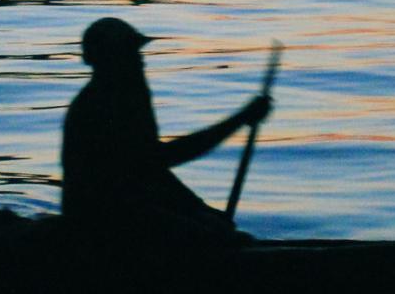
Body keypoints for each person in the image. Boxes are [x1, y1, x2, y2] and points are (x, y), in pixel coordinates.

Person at [61, 17, 271, 251]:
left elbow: (153, 171)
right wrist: (240, 119)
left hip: (132, 202)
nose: (140, 60)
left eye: (137, 52)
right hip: (100, 216)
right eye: (129, 53)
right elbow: (156, 160)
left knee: (217, 228)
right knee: (214, 241)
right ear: (108, 60)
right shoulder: (96, 106)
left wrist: (198, 208)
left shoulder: (130, 96)